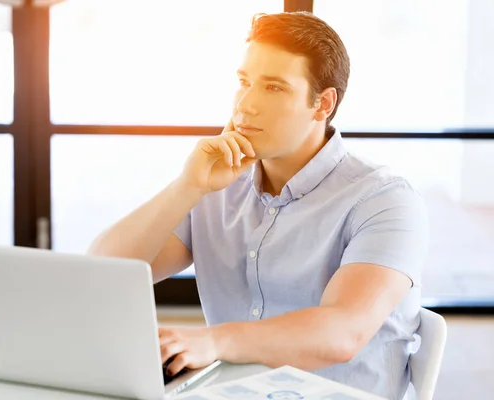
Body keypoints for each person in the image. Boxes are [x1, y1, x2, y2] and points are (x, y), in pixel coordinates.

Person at [88, 11, 428, 400]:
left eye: (274, 88)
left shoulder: (386, 200)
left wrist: (216, 341)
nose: (245, 105)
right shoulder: (215, 185)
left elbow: (342, 332)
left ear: (323, 104)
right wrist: (187, 186)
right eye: (244, 82)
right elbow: (101, 272)